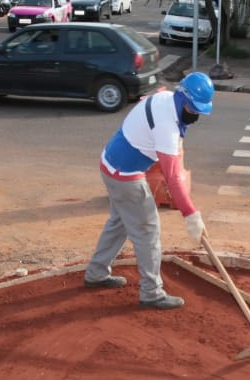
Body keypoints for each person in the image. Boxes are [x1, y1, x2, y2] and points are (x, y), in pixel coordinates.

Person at [85, 72, 214, 310]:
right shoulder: (167, 129)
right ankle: (152, 293)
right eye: (194, 109)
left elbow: (154, 95)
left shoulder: (166, 98)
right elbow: (173, 178)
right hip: (124, 175)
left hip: (110, 163)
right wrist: (191, 215)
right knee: (148, 230)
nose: (196, 114)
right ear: (183, 100)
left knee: (120, 221)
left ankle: (96, 273)